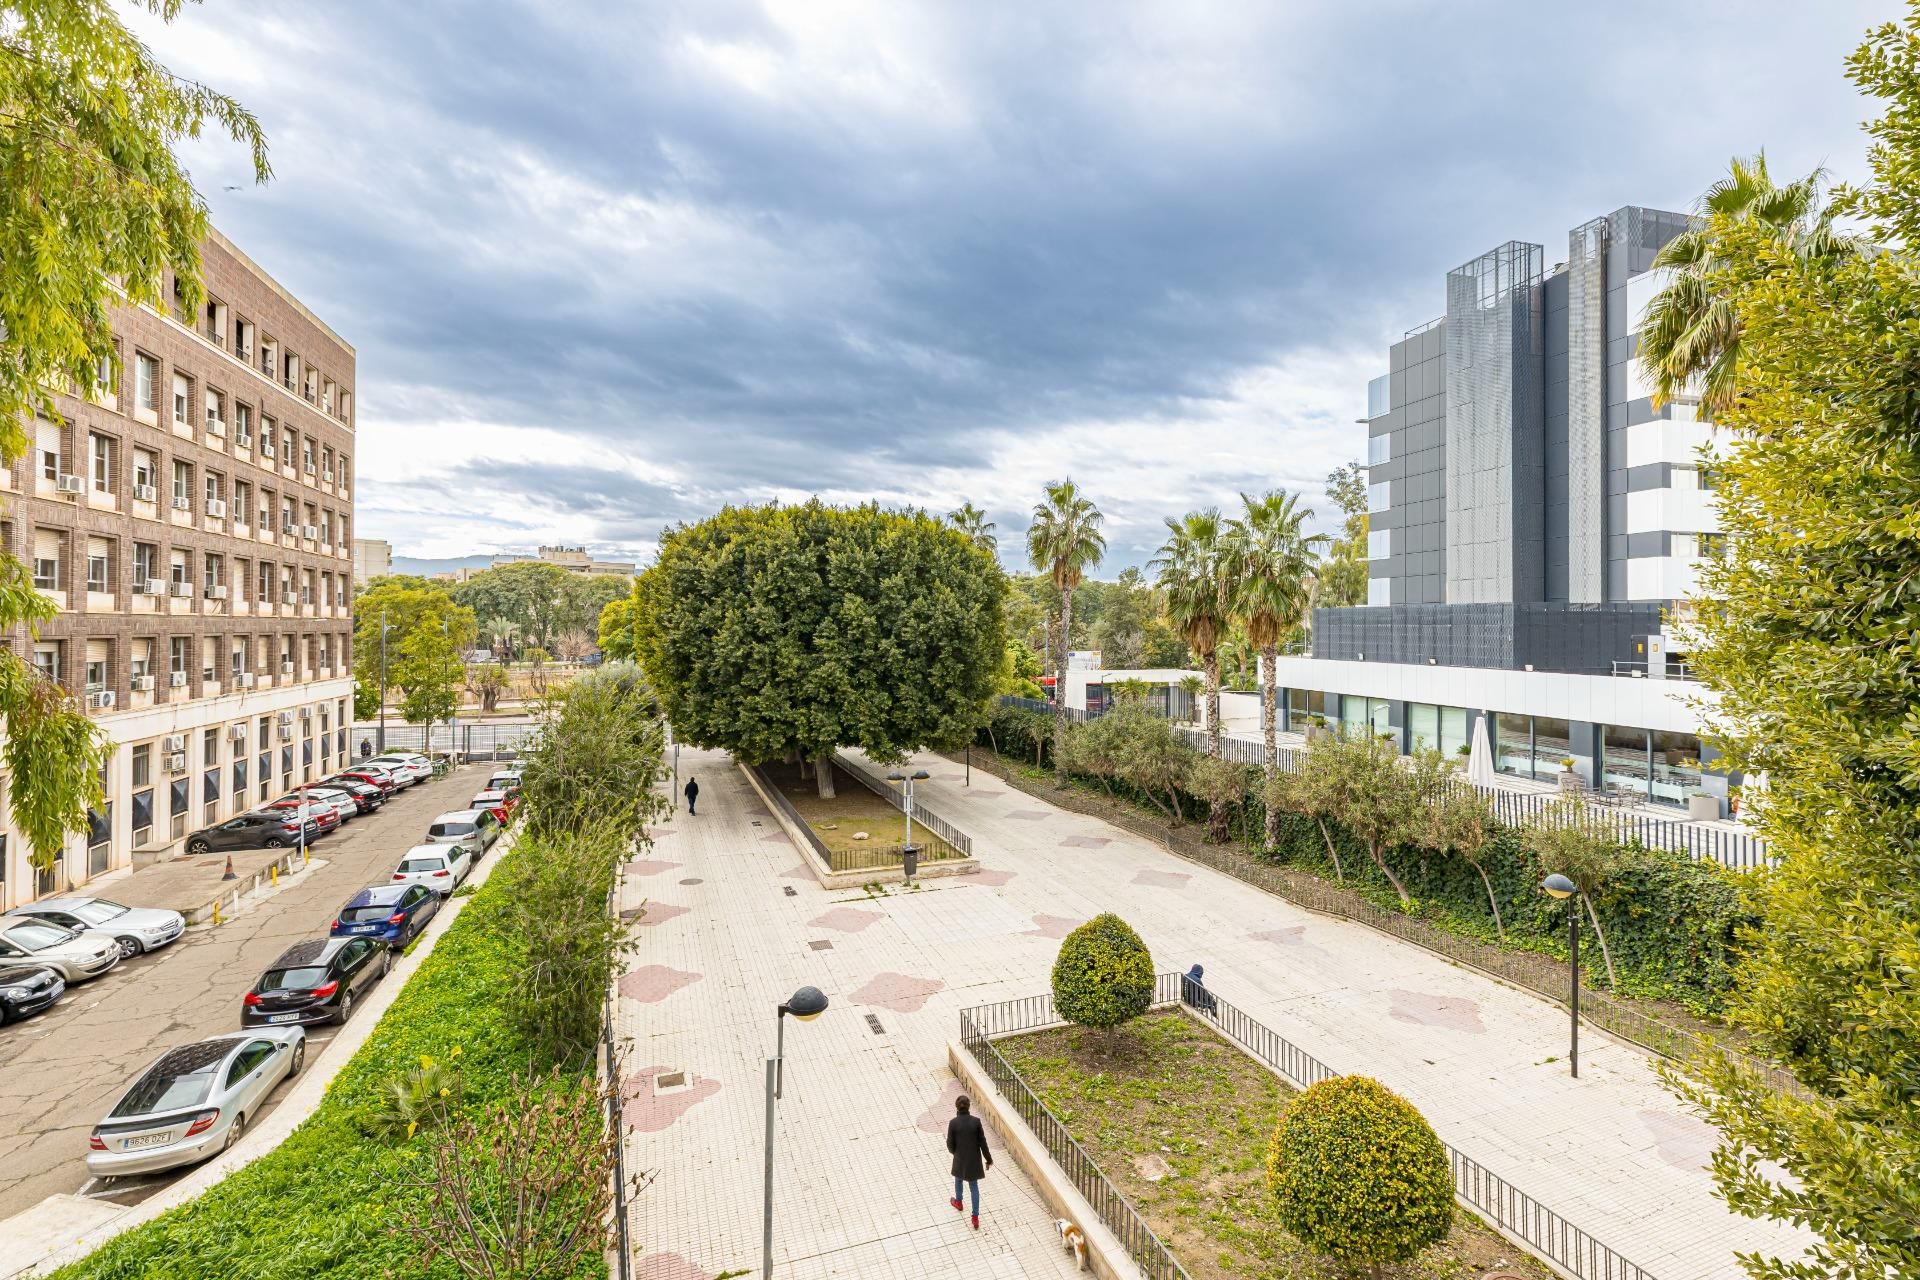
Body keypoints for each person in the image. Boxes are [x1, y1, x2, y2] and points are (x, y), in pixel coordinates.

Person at [946, 1094, 992, 1230]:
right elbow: (983, 1143)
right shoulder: (976, 1122)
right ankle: (975, 1217)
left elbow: (950, 1144)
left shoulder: (953, 1123)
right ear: (969, 1106)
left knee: (958, 1179)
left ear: (957, 1107)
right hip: (974, 1160)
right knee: (974, 1187)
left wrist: (955, 1153)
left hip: (960, 1158)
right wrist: (988, 1159)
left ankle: (959, 1202)